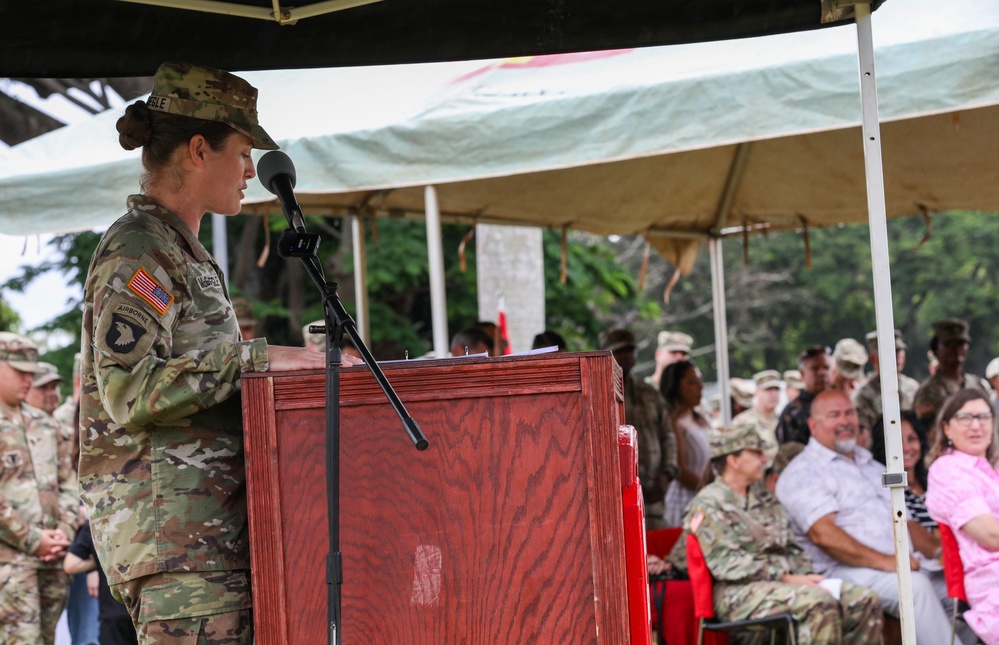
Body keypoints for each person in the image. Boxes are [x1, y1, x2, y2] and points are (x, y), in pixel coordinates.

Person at [78, 62, 358, 644]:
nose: (252, 171)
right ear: (199, 150)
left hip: (210, 537)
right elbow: (129, 391)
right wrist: (256, 360)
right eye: (244, 152)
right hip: (178, 547)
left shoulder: (181, 250)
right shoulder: (140, 252)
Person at [775, 390, 954, 644]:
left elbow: (907, 522)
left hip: (899, 564)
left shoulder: (871, 464)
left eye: (849, 413)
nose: (845, 421)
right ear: (813, 425)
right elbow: (823, 535)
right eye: (834, 415)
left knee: (957, 588)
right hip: (842, 572)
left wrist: (938, 553)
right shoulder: (804, 472)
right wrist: (887, 562)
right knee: (914, 589)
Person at [683, 422, 882, 644]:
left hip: (786, 585)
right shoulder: (709, 504)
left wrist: (805, 575)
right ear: (733, 460)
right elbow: (729, 564)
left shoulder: (766, 499)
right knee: (818, 602)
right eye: (756, 453)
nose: (764, 460)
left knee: (864, 600)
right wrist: (788, 577)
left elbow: (792, 547)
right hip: (737, 594)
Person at [871, 410, 977, 644]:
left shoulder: (934, 478)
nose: (906, 447)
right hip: (925, 567)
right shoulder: (887, 487)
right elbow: (919, 537)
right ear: (883, 445)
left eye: (911, 439)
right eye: (896, 441)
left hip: (951, 563)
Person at [0, 332, 79, 643]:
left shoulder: (47, 424)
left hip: (53, 560)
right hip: (10, 564)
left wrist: (65, 532)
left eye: (31, 372)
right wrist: (33, 539)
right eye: (20, 371)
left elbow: (69, 482)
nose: (28, 380)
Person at [925, 389, 999, 645]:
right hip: (991, 582)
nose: (976, 426)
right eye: (965, 418)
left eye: (984, 417)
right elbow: (991, 535)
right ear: (947, 428)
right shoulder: (948, 470)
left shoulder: (990, 468)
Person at [599, 328, 678, 529]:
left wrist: (667, 473)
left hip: (655, 492)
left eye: (630, 351)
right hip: (617, 494)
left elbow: (668, 435)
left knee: (658, 551)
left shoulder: (649, 392)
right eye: (619, 351)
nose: (626, 357)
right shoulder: (600, 394)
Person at [64, 521, 138, 645]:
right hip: (146, 611)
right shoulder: (145, 516)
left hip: (113, 614)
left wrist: (101, 562)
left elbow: (70, 565)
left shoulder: (97, 521)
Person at [660, 359, 711, 527]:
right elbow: (680, 471)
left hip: (706, 494)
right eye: (692, 382)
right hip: (685, 499)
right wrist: (709, 489)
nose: (700, 387)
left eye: (700, 381)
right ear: (676, 386)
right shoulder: (674, 422)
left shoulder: (702, 419)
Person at [914, 319, 991, 430]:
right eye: (949, 344)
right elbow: (924, 429)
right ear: (936, 350)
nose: (957, 349)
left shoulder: (978, 385)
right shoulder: (928, 390)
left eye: (962, 343)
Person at [852, 329, 920, 444]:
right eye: (890, 352)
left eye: (899, 351)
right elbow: (863, 437)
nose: (897, 356)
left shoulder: (913, 387)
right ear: (873, 358)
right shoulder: (862, 395)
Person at [776, 345, 831, 444]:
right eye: (815, 369)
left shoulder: (840, 403)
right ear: (802, 374)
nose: (822, 373)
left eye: (826, 368)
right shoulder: (792, 412)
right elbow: (789, 452)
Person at [733, 369, 782, 464]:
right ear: (757, 392)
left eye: (776, 389)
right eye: (768, 389)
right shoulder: (742, 422)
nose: (773, 394)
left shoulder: (785, 420)